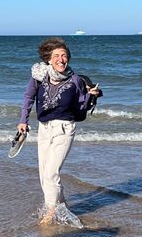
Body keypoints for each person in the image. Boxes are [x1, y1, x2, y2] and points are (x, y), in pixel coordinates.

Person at [17, 37, 101, 225]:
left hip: (65, 128)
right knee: (44, 173)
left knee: (51, 173)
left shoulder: (76, 80)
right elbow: (28, 97)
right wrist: (23, 120)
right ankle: (61, 204)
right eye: (56, 55)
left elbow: (80, 108)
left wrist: (90, 97)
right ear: (48, 58)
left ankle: (50, 212)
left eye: (64, 55)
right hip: (44, 129)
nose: (61, 59)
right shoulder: (39, 76)